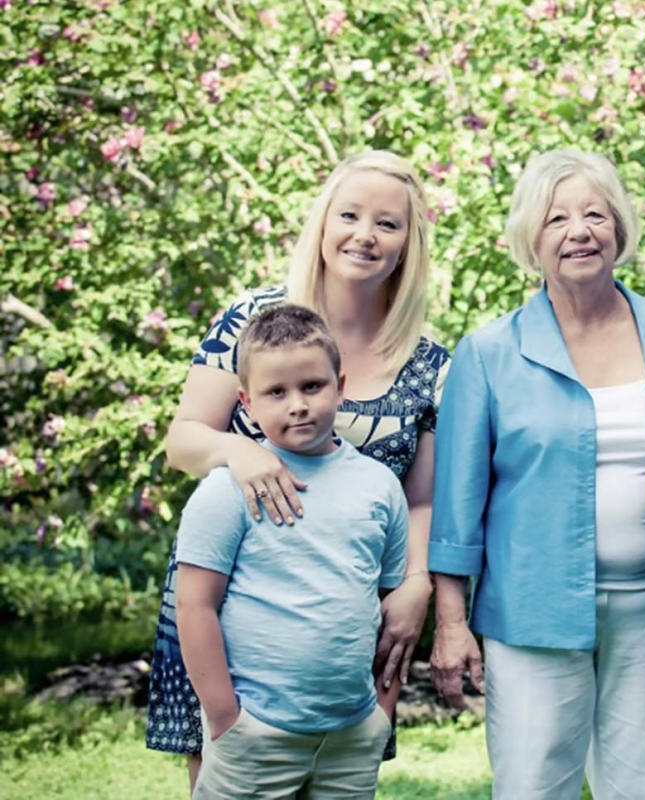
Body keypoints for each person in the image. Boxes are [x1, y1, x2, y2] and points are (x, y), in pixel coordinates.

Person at [147, 150, 449, 790]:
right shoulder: (254, 320)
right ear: (323, 223)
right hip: (231, 598)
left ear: (408, 244)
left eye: (387, 224)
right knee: (232, 772)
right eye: (349, 215)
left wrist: (415, 582)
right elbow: (183, 439)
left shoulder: (427, 362)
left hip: (338, 612)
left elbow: (419, 498)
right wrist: (239, 449)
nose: (364, 235)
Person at [428, 150, 645, 799]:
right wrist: (452, 624)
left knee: (641, 789)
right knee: (534, 785)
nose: (580, 231)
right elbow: (457, 507)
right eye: (557, 218)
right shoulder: (489, 353)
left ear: (619, 229)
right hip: (531, 612)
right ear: (531, 239)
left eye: (595, 214)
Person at [177, 305, 407, 798]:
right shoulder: (227, 489)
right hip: (255, 735)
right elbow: (194, 605)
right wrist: (225, 717)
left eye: (312, 386)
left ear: (340, 386)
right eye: (276, 392)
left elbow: (392, 606)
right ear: (247, 401)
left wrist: (379, 718)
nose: (297, 405)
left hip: (351, 735)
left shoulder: (379, 486)